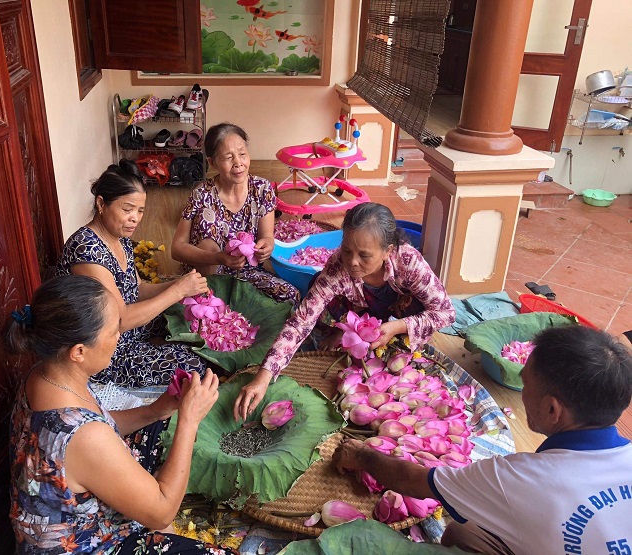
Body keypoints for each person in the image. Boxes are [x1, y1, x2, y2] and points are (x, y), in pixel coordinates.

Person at [332, 325, 632, 555]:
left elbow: (413, 481)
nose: (523, 392)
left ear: (553, 409)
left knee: (460, 532)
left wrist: (361, 456)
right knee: (465, 534)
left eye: (525, 383)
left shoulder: (521, 478)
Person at [6, 274, 236, 555]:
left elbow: (100, 422)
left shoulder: (44, 375)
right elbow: (162, 514)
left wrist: (157, 409)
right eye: (113, 331)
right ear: (78, 351)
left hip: (76, 497)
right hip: (89, 545)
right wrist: (189, 419)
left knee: (157, 427)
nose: (120, 336)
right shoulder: (84, 436)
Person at [234, 202, 455, 420]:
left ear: (387, 251)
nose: (352, 262)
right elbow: (302, 321)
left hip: (397, 313)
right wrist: (265, 374)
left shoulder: (408, 262)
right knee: (316, 286)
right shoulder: (338, 265)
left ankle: (386, 338)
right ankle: (341, 329)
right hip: (358, 308)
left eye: (364, 255)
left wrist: (398, 327)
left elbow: (446, 312)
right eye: (347, 250)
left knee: (402, 346)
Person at [57, 160, 208, 388]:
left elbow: (138, 289)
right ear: (101, 204)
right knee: (192, 366)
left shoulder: (120, 238)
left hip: (129, 331)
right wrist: (177, 290)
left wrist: (182, 284)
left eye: (140, 211)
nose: (135, 218)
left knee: (192, 323)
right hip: (103, 350)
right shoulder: (86, 251)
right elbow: (119, 321)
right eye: (127, 209)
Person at [171, 122, 299, 304]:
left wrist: (266, 247)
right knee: (208, 246)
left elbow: (267, 237)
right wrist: (218, 258)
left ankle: (232, 305)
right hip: (207, 275)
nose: (238, 163)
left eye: (242, 154)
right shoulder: (201, 195)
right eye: (228, 157)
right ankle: (213, 301)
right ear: (212, 163)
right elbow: (177, 248)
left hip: (246, 272)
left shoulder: (262, 189)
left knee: (290, 297)